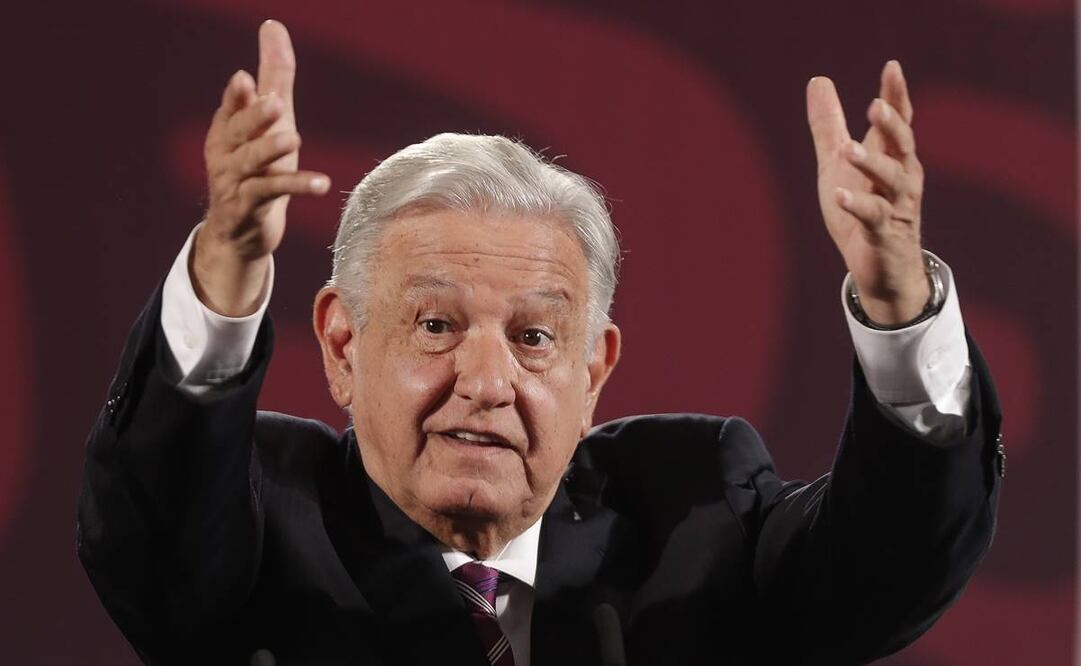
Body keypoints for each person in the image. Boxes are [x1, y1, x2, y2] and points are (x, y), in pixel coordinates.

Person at [78, 19, 1003, 666]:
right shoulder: (263, 519)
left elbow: (888, 567)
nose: (485, 380)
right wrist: (228, 268)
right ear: (340, 344)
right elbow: (157, 535)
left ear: (594, 367)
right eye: (436, 325)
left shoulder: (693, 514)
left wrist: (896, 306)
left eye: (532, 337)